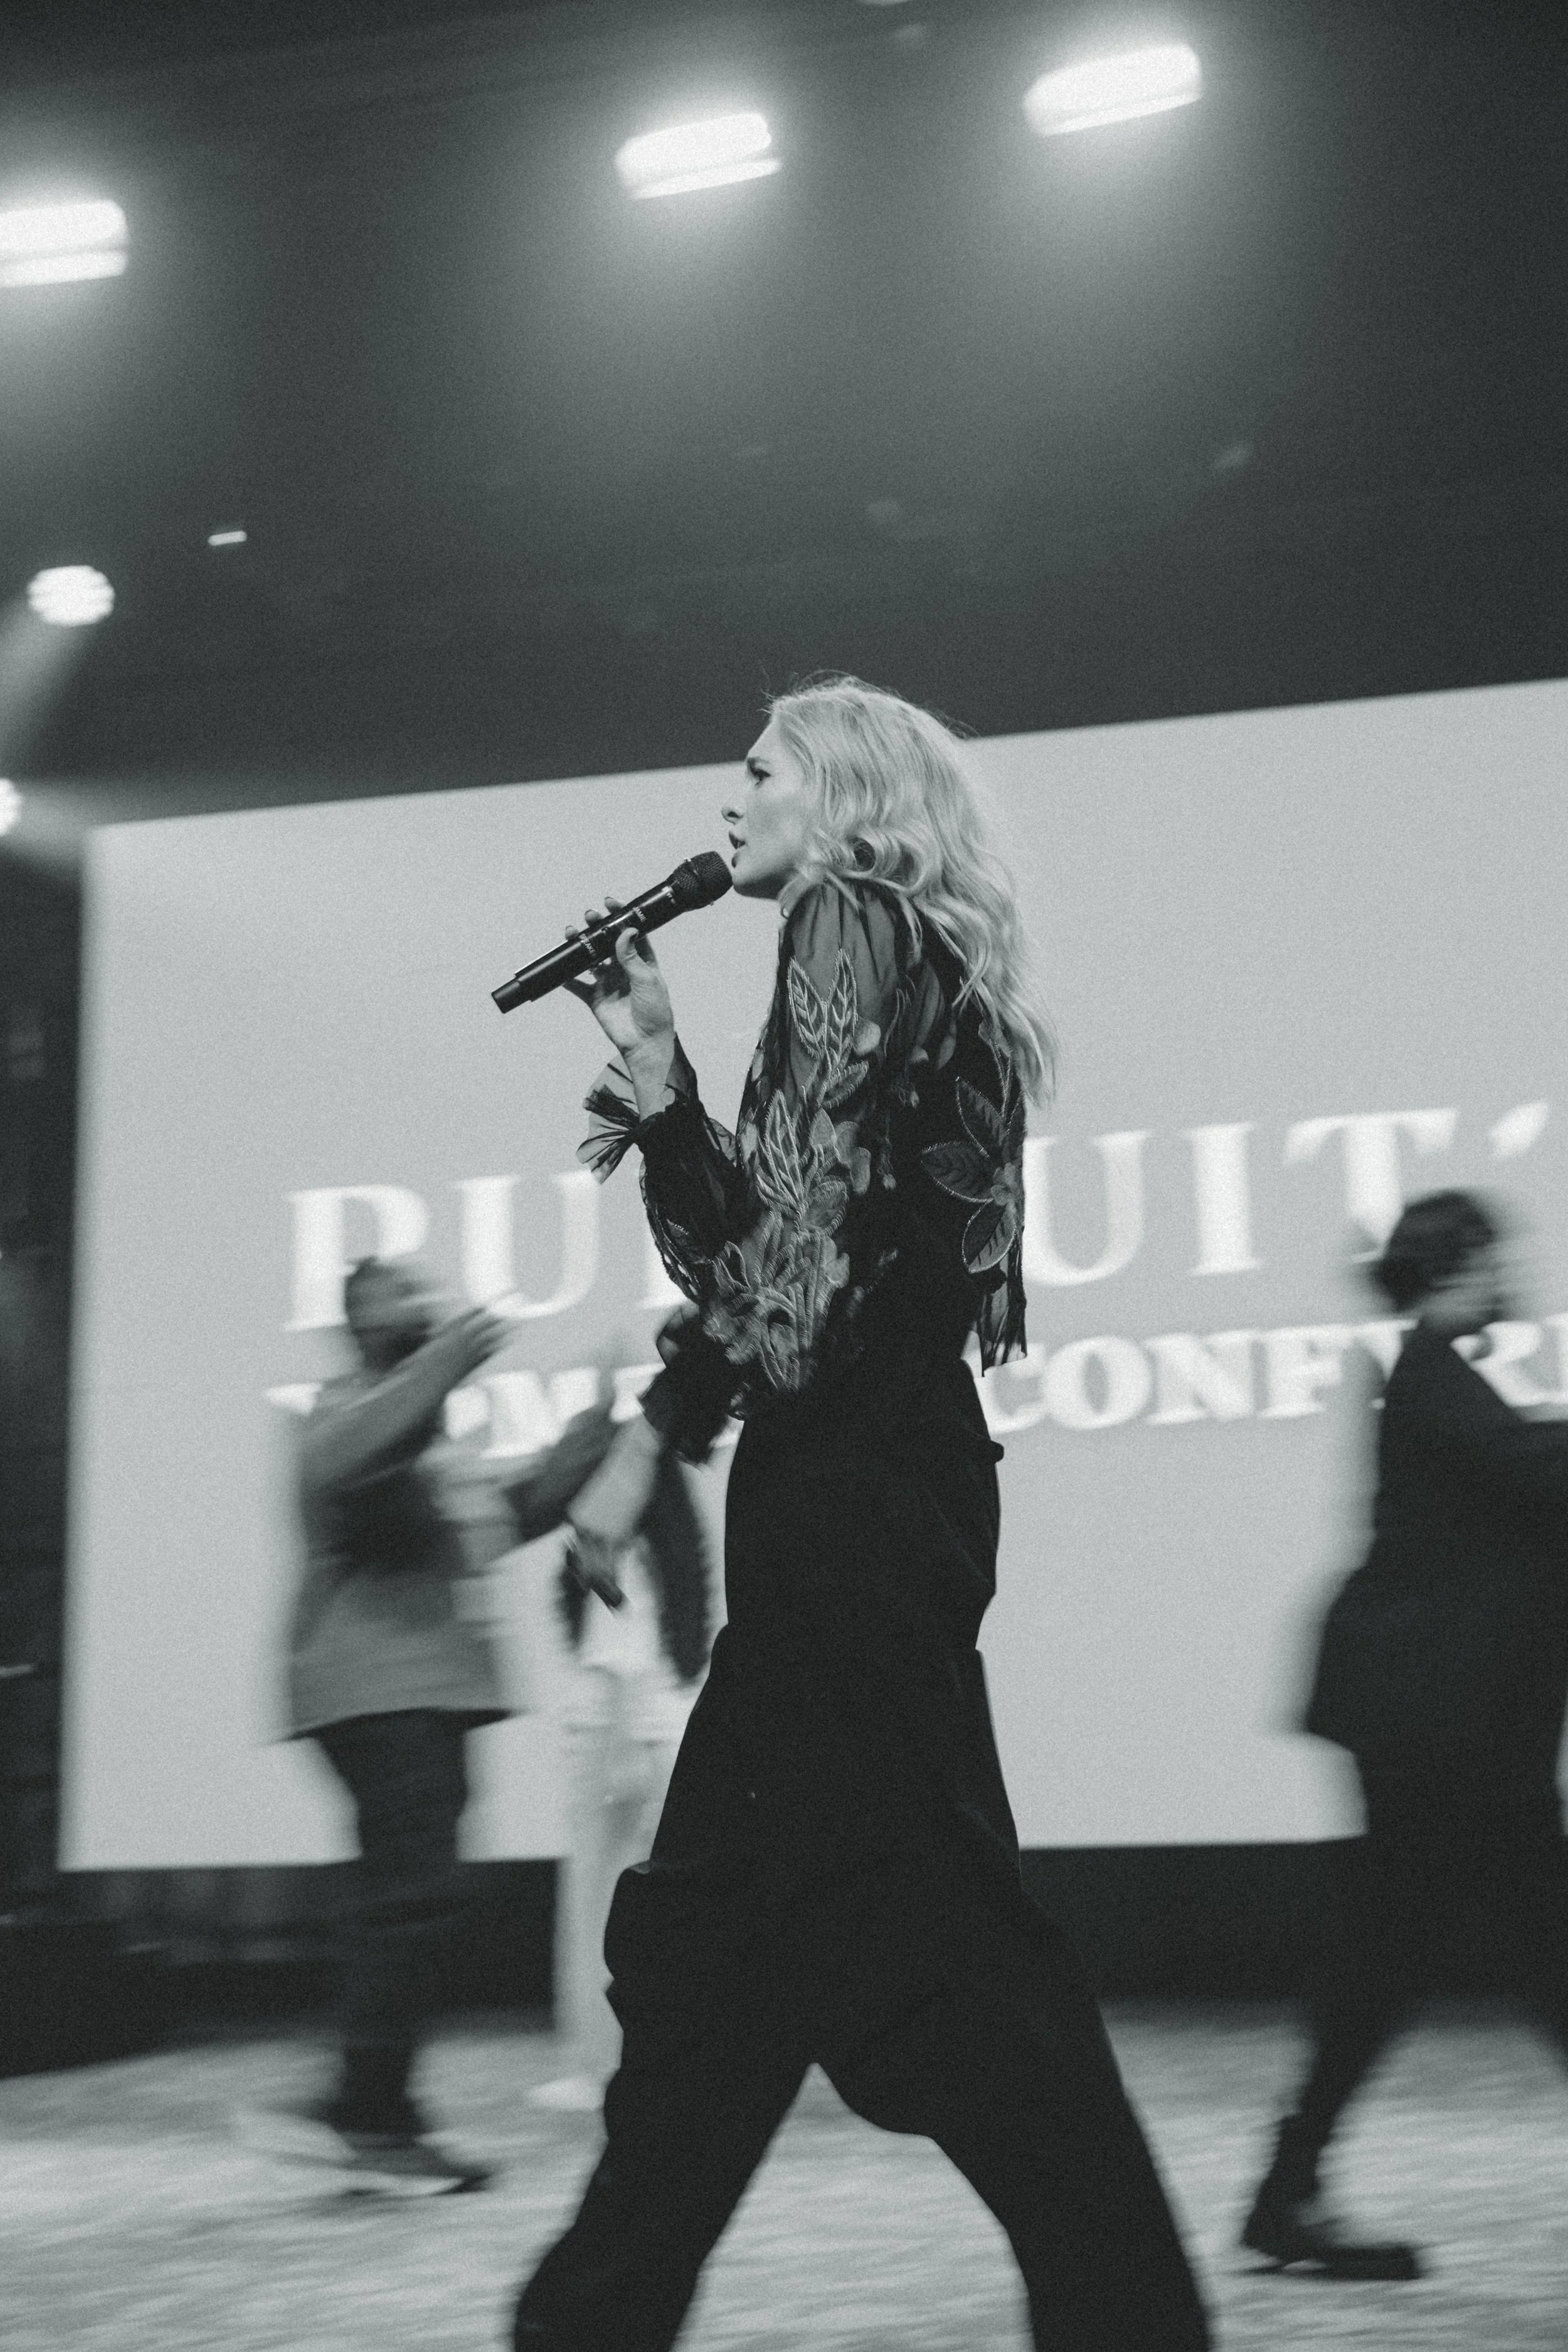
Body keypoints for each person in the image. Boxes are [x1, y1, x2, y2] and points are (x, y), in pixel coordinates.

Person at [509, 677, 1210, 2349]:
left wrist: (667, 1118)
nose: (730, 787)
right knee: (777, 1961)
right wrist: (668, 1081)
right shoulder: (891, 948)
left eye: (761, 762)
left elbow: (791, 1296)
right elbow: (793, 1261)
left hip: (850, 1516)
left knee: (853, 1957)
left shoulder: (846, 930)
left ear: (841, 791)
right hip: (876, 1503)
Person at [241, 1255, 619, 2194]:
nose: (414, 1302)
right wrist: (446, 1358)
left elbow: (510, 1511)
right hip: (378, 1690)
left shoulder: (432, 1447)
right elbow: (351, 1461)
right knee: (412, 1894)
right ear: (357, 1324)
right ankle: (361, 2106)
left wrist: (595, 1430)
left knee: (408, 1896)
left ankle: (382, 2114)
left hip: (415, 1693)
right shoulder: (340, 1411)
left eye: (418, 1292)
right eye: (390, 1296)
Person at [1242, 1190, 1568, 2276]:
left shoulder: (1436, 1377)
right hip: (1453, 1738)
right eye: (1496, 1256)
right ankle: (1285, 2194)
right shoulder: (1433, 1372)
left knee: (1387, 1969)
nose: (1511, 1274)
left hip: (1445, 1734)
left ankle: (1286, 2194)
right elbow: (1542, 1476)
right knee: (1532, 1951)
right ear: (1462, 1263)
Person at [531, 1436, 714, 2112]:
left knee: (612, 1903)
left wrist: (631, 1740)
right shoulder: (622, 1547)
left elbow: (634, 1646)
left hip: (636, 1723)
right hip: (629, 1720)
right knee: (615, 1902)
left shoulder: (635, 1543)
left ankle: (616, 2063)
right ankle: (609, 2061)